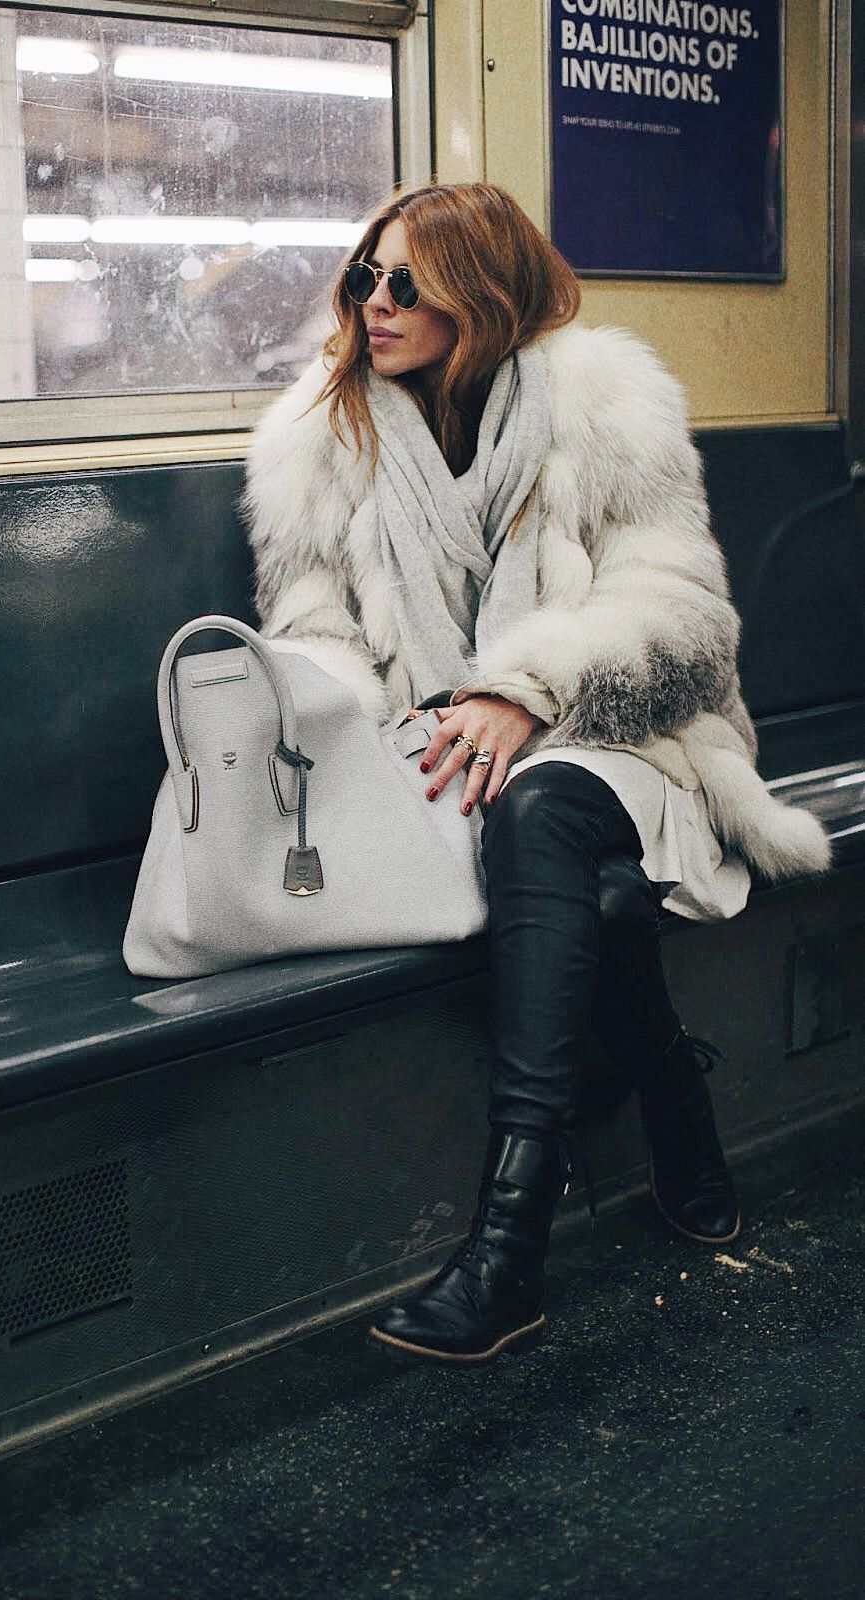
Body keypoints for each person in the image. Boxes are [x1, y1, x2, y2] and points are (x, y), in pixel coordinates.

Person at [242, 182, 830, 1365]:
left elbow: (686, 623)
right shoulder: (321, 436)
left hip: (625, 737)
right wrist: (401, 722)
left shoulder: (604, 407)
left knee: (542, 803)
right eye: (363, 277)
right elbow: (312, 636)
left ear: (482, 294)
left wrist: (530, 687)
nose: (374, 303)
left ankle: (506, 1245)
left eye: (406, 283)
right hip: (435, 755)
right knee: (591, 888)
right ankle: (670, 1090)